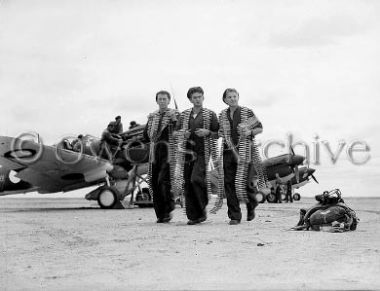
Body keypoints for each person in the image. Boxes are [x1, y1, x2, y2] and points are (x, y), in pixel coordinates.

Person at [216, 88, 264, 225]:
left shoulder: (247, 112)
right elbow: (220, 131)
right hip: (227, 151)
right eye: (229, 97)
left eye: (234, 96)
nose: (232, 99)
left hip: (245, 152)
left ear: (238, 97)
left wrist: (250, 131)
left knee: (246, 182)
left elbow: (259, 128)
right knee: (229, 183)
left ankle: (252, 204)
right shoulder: (222, 115)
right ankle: (234, 216)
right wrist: (220, 133)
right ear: (224, 100)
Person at [175, 86, 219, 225]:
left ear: (203, 97)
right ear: (190, 99)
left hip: (203, 152)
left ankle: (202, 207)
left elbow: (218, 133)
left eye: (200, 97)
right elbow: (175, 133)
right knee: (187, 182)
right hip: (187, 153)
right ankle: (194, 216)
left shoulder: (210, 114)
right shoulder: (183, 115)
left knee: (195, 179)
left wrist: (207, 133)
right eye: (194, 97)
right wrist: (183, 133)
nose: (198, 100)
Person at [143, 90, 179, 223]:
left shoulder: (175, 114)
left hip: (169, 152)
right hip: (154, 152)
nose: (162, 101)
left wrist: (174, 120)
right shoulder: (152, 117)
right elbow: (145, 136)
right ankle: (161, 215)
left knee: (163, 180)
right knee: (153, 183)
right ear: (157, 101)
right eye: (160, 99)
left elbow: (180, 132)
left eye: (165, 99)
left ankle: (169, 208)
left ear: (169, 101)